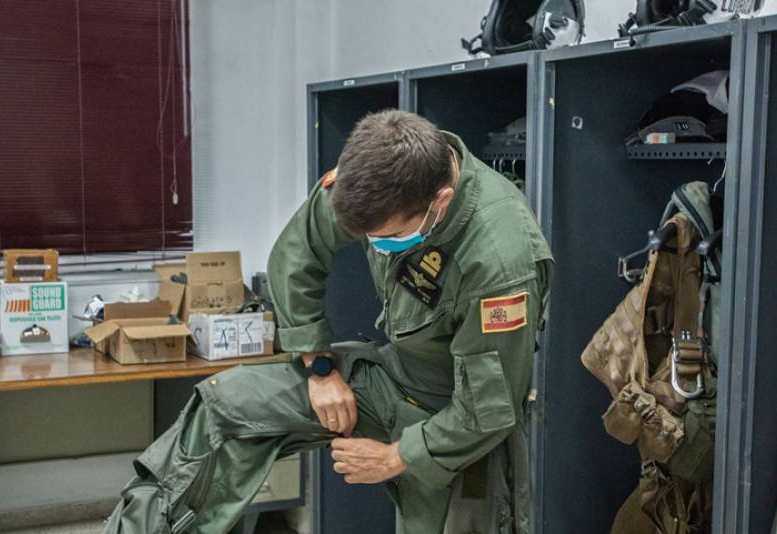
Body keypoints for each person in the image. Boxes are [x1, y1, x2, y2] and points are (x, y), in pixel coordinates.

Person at [102, 110, 553, 534]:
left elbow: (488, 409)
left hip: (461, 418)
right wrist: (318, 366)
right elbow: (296, 253)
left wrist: (397, 457)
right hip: (392, 379)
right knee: (226, 406)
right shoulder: (375, 180)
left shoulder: (499, 260)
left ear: (442, 201)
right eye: (366, 238)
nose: (377, 247)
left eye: (391, 237)